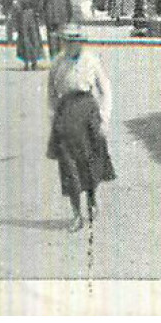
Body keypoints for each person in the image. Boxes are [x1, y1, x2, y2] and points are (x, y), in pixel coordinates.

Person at [45, 27, 116, 231]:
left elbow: (106, 90)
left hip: (88, 116)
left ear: (81, 42)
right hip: (66, 118)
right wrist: (53, 119)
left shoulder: (92, 61)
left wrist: (104, 118)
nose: (71, 45)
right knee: (69, 167)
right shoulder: (58, 63)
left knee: (90, 162)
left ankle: (92, 199)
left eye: (75, 41)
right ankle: (76, 214)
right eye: (67, 41)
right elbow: (50, 94)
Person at [13, 0, 45, 71]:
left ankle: (26, 62)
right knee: (34, 38)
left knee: (24, 39)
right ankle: (34, 61)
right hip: (32, 18)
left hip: (23, 18)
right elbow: (39, 7)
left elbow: (17, 9)